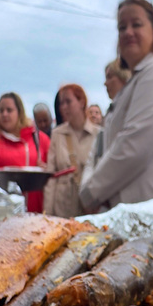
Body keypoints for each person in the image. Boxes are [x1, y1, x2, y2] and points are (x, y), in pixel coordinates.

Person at [79, 0, 153, 211]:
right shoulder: (138, 79)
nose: (128, 32)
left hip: (147, 213)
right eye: (121, 27)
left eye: (136, 24)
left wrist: (90, 193)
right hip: (132, 211)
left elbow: (133, 147)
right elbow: (105, 145)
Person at [0, 92, 50, 213]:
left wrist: (46, 169)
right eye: (1, 111)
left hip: (36, 212)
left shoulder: (40, 139)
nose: (4, 114)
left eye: (9, 110)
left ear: (19, 112)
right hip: (2, 213)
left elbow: (54, 170)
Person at [43, 85, 100, 217]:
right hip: (62, 208)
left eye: (68, 101)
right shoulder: (57, 134)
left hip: (89, 208)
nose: (63, 107)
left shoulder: (98, 134)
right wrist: (47, 215)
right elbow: (51, 177)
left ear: (81, 102)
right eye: (61, 103)